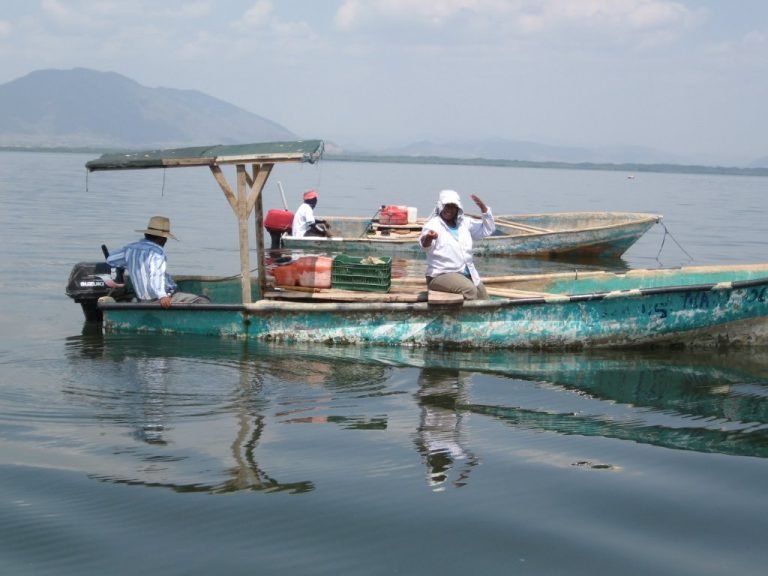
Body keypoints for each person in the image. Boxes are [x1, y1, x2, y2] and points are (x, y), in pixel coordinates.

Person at [106, 215, 210, 308]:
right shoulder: (157, 252)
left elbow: (111, 260)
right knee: (203, 300)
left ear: (147, 234)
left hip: (143, 299)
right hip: (159, 299)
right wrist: (162, 296)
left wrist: (128, 267)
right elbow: (156, 275)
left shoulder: (130, 249)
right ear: (163, 238)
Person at [419, 189, 495, 300]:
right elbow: (425, 245)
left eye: (452, 207)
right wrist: (429, 238)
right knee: (469, 290)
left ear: (457, 209)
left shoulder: (464, 223)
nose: (449, 210)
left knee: (484, 298)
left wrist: (484, 209)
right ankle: (467, 316)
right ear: (440, 206)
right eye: (446, 206)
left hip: (466, 272)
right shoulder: (434, 225)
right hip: (440, 275)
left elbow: (487, 230)